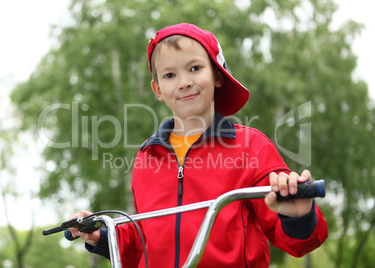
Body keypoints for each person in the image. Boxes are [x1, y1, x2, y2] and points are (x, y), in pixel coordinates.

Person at [69, 23, 328, 268]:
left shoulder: (252, 147)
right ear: (158, 90)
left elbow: (300, 242)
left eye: (194, 68)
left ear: (217, 75)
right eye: (170, 75)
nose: (184, 82)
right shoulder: (146, 157)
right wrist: (102, 237)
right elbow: (146, 244)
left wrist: (298, 216)